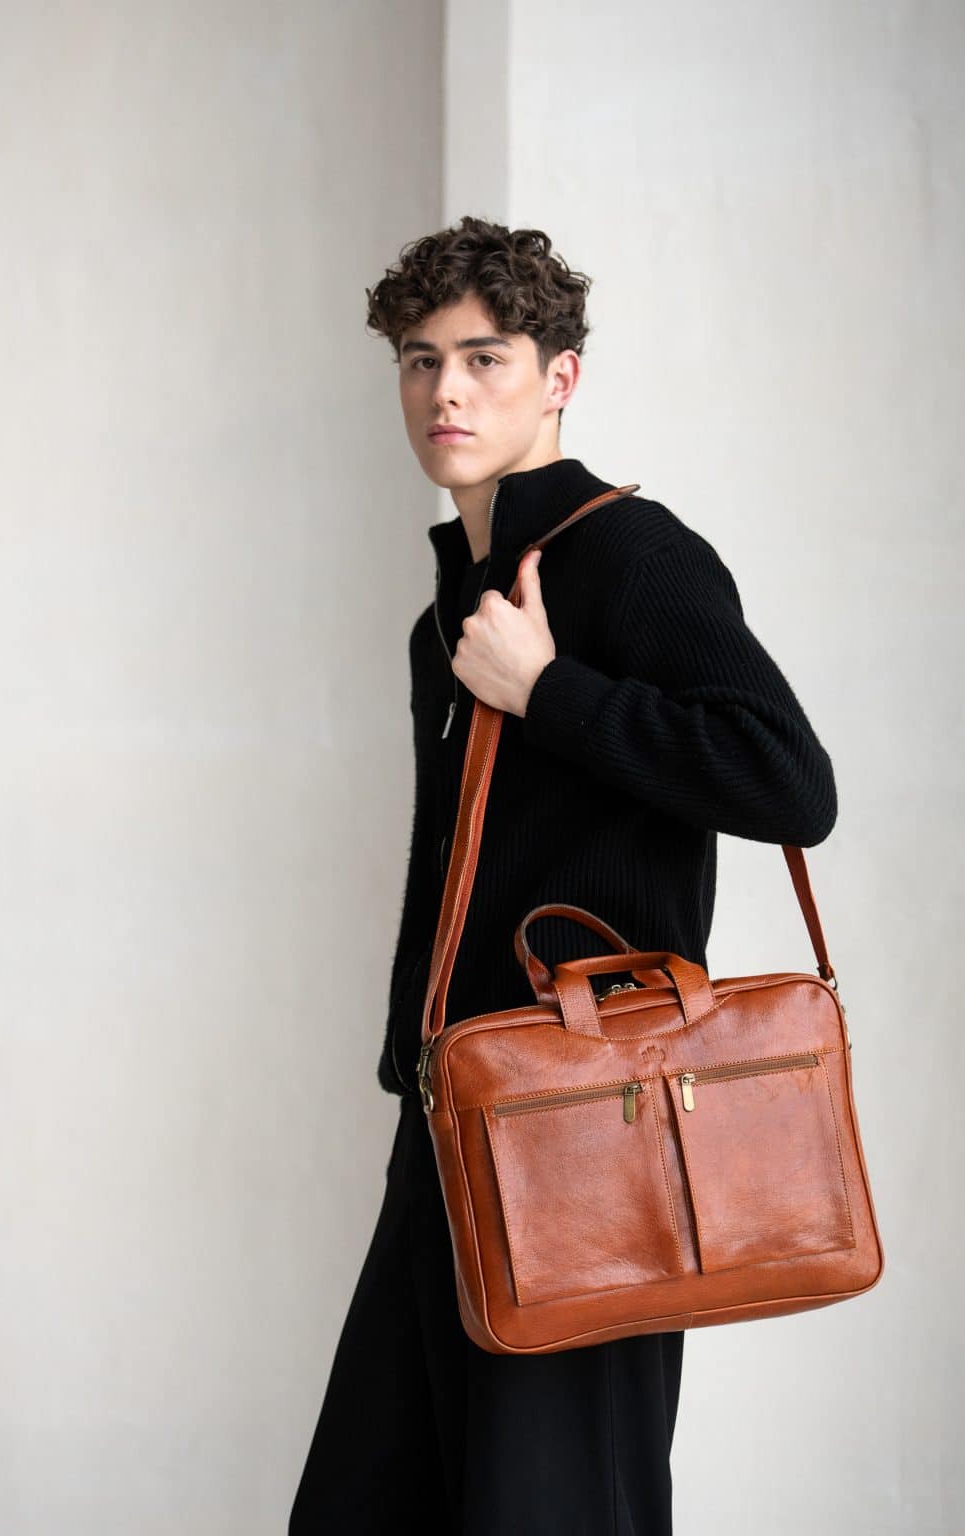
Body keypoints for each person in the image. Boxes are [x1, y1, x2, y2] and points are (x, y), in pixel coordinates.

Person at [288, 216, 838, 1534]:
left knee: (553, 1507)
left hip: (597, 1127)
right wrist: (411, 1065)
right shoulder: (450, 612)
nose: (447, 391)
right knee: (377, 1500)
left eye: (485, 357)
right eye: (420, 361)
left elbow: (788, 783)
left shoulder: (632, 557)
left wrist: (549, 691)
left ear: (559, 377)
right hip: (460, 1109)